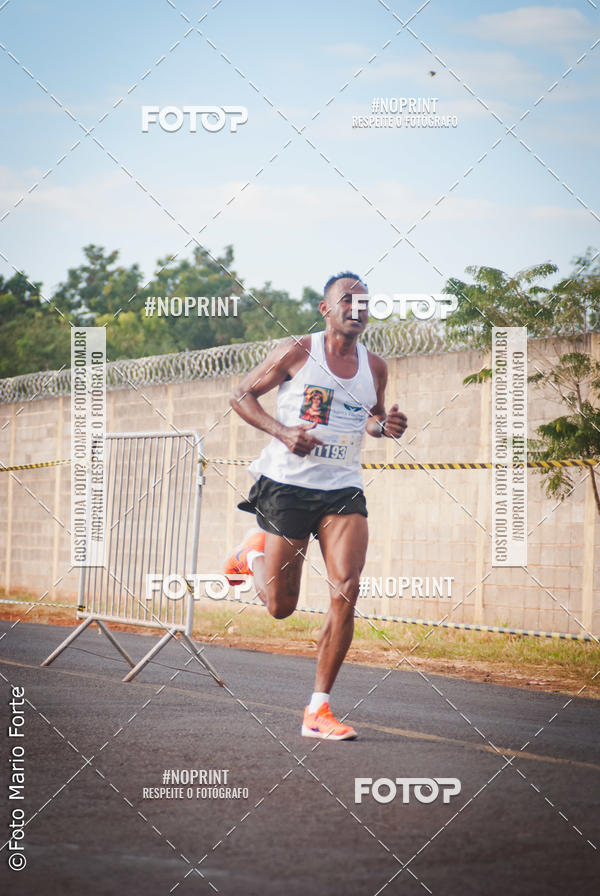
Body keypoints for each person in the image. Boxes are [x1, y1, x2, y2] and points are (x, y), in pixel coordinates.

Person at [225, 272, 407, 740]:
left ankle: (318, 709)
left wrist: (384, 426)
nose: (356, 307)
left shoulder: (376, 367)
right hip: (288, 485)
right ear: (326, 309)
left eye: (364, 301)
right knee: (280, 608)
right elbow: (240, 396)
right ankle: (252, 555)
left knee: (347, 586)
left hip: (342, 487)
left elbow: (371, 417)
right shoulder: (297, 352)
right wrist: (284, 433)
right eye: (347, 300)